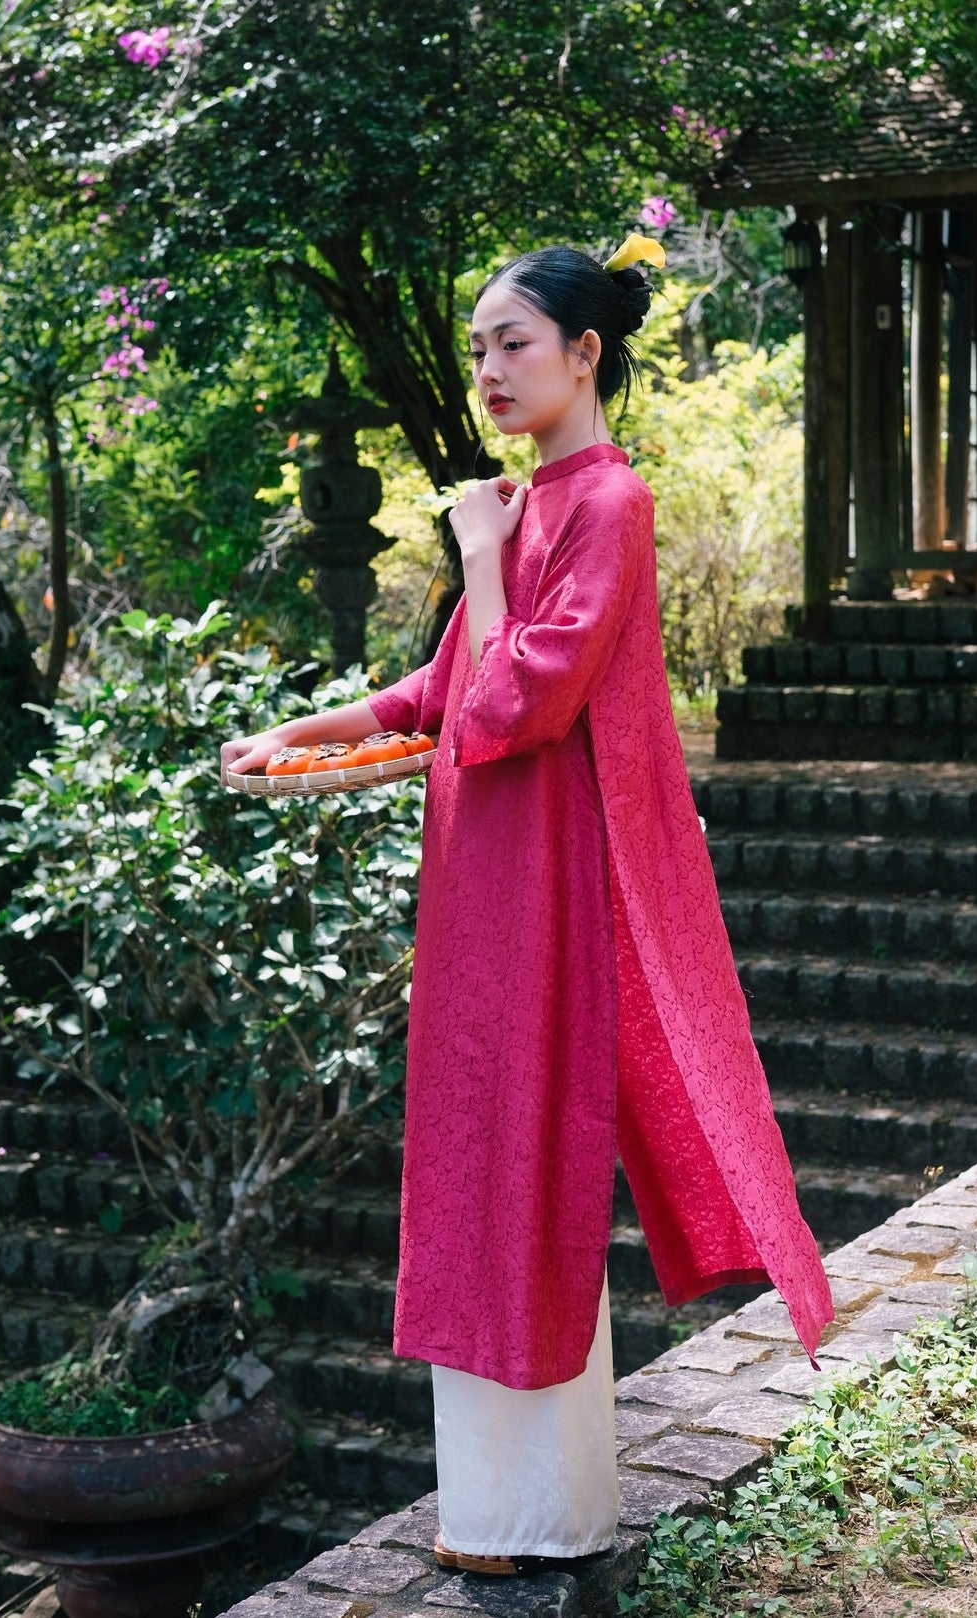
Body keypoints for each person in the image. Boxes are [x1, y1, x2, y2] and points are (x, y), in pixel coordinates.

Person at [220, 236, 834, 1577]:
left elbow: (513, 706)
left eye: (514, 342)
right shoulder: (524, 503)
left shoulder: (607, 502)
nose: (490, 369)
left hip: (549, 885)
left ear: (583, 353)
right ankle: (496, 1510)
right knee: (469, 1152)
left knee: (526, 1160)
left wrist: (482, 554)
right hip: (478, 883)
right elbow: (435, 693)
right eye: (479, 347)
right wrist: (296, 733)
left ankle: (537, 1517)